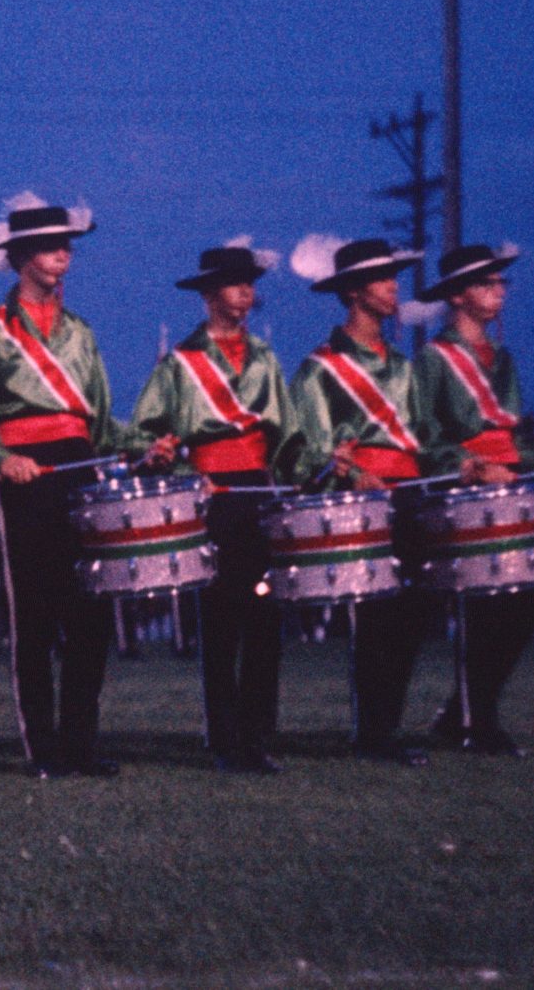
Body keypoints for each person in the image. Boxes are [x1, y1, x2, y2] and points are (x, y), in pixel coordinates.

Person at [0, 193, 132, 778]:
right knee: (33, 612)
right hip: (24, 473)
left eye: (67, 246)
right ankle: (43, 748)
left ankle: (82, 742)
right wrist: (2, 457)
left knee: (90, 612)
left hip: (79, 467)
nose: (65, 255)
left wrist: (144, 442)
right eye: (52, 247)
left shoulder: (81, 332)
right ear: (23, 256)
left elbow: (100, 420)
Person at [131, 238, 307, 774]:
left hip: (257, 490)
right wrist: (178, 469)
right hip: (211, 495)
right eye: (235, 283)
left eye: (250, 283)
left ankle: (257, 734)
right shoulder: (180, 364)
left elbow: (289, 433)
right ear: (210, 294)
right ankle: (223, 734)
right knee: (221, 618)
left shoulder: (266, 358)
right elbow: (148, 434)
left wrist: (292, 482)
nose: (246, 292)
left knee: (263, 615)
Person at [410, 243, 534, 756]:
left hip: (509, 488)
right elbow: (421, 433)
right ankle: (477, 720)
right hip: (462, 494)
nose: (499, 292)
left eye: (500, 284)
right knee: (480, 608)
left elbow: (509, 438)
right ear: (459, 296)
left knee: (523, 602)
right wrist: (465, 465)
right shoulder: (433, 359)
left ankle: (466, 710)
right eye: (487, 284)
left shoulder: (501, 359)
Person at [288, 237, 435, 766]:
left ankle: (386, 726)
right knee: (376, 621)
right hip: (363, 505)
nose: (394, 286)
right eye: (382, 278)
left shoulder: (402, 365)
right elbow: (310, 451)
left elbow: (424, 435)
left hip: (410, 495)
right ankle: (373, 733)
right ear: (353, 292)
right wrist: (348, 474)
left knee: (413, 616)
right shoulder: (318, 369)